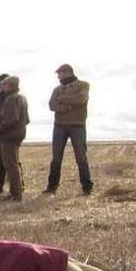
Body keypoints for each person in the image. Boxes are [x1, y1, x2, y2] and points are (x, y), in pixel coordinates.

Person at [44, 63, 93, 195]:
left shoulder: (83, 85)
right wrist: (64, 107)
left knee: (81, 157)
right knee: (56, 158)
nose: (59, 76)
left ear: (68, 72)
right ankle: (51, 187)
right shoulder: (57, 89)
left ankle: (87, 186)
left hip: (77, 125)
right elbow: (51, 104)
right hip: (60, 125)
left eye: (60, 73)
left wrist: (62, 99)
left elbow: (81, 99)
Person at [0, 75, 29, 201]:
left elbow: (11, 119)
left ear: (10, 85)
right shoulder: (22, 98)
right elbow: (27, 120)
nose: (2, 87)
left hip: (9, 137)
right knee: (14, 164)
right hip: (18, 135)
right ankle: (15, 192)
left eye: (4, 85)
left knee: (10, 165)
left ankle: (16, 194)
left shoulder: (11, 99)